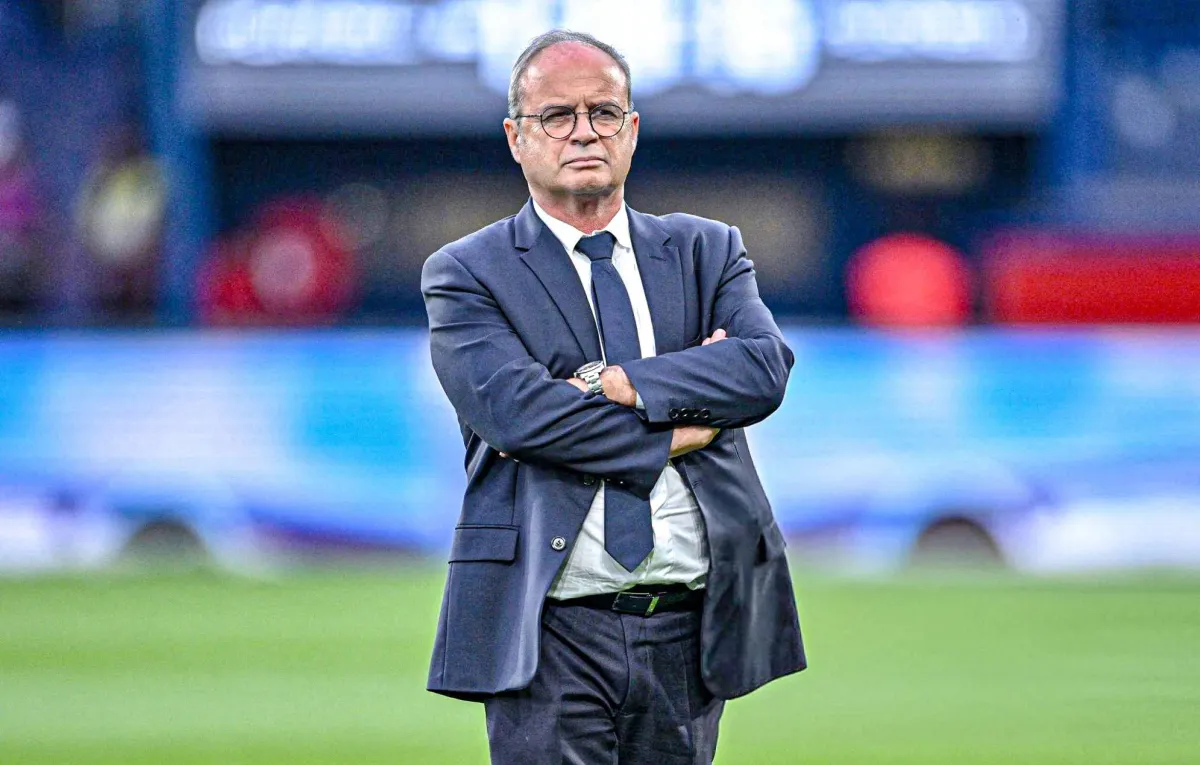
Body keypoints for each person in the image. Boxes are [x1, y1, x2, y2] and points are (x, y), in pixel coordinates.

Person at [421, 30, 806, 764]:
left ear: (631, 129)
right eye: (556, 115)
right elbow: (520, 417)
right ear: (516, 137)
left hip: (690, 628)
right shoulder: (467, 271)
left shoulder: (707, 249)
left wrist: (617, 383)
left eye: (603, 112)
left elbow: (762, 369)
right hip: (547, 629)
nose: (583, 132)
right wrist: (681, 426)